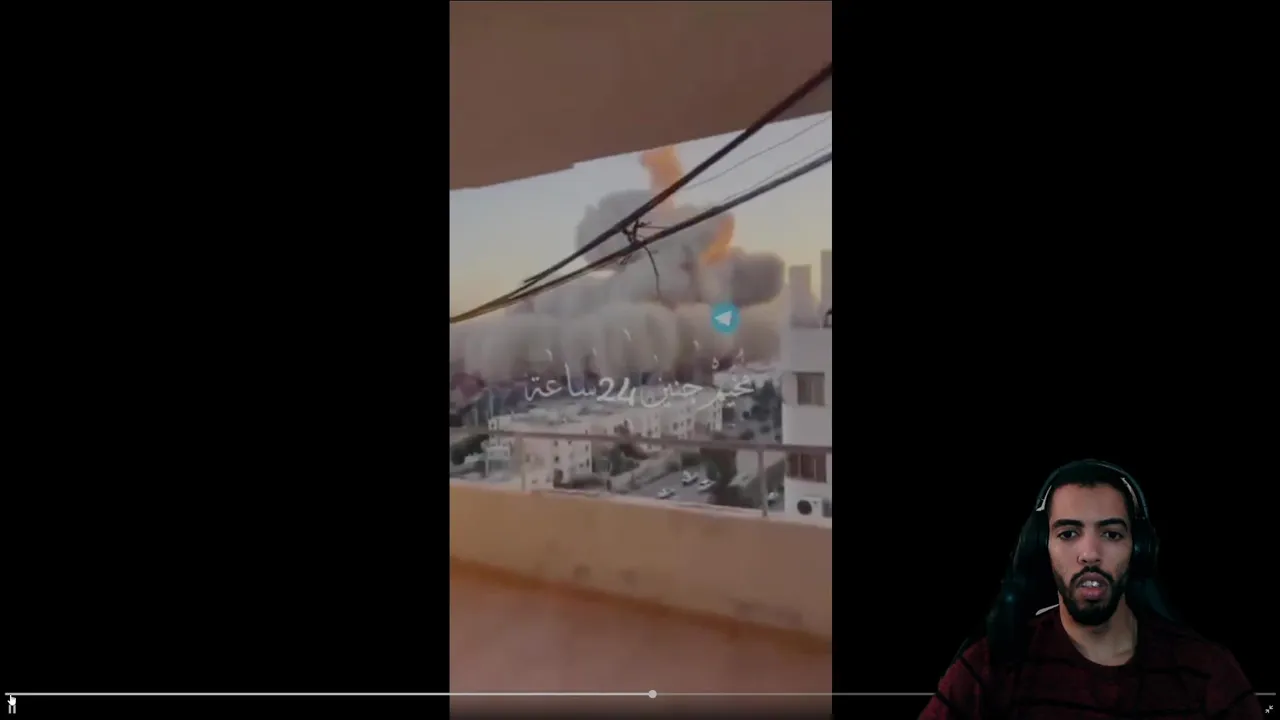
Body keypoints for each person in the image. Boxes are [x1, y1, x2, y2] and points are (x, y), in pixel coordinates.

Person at [921, 460, 1263, 719]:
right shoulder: (990, 668)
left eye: (1111, 534)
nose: (1089, 554)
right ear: (1042, 547)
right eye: (1068, 533)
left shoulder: (1207, 671)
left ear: (1138, 549)